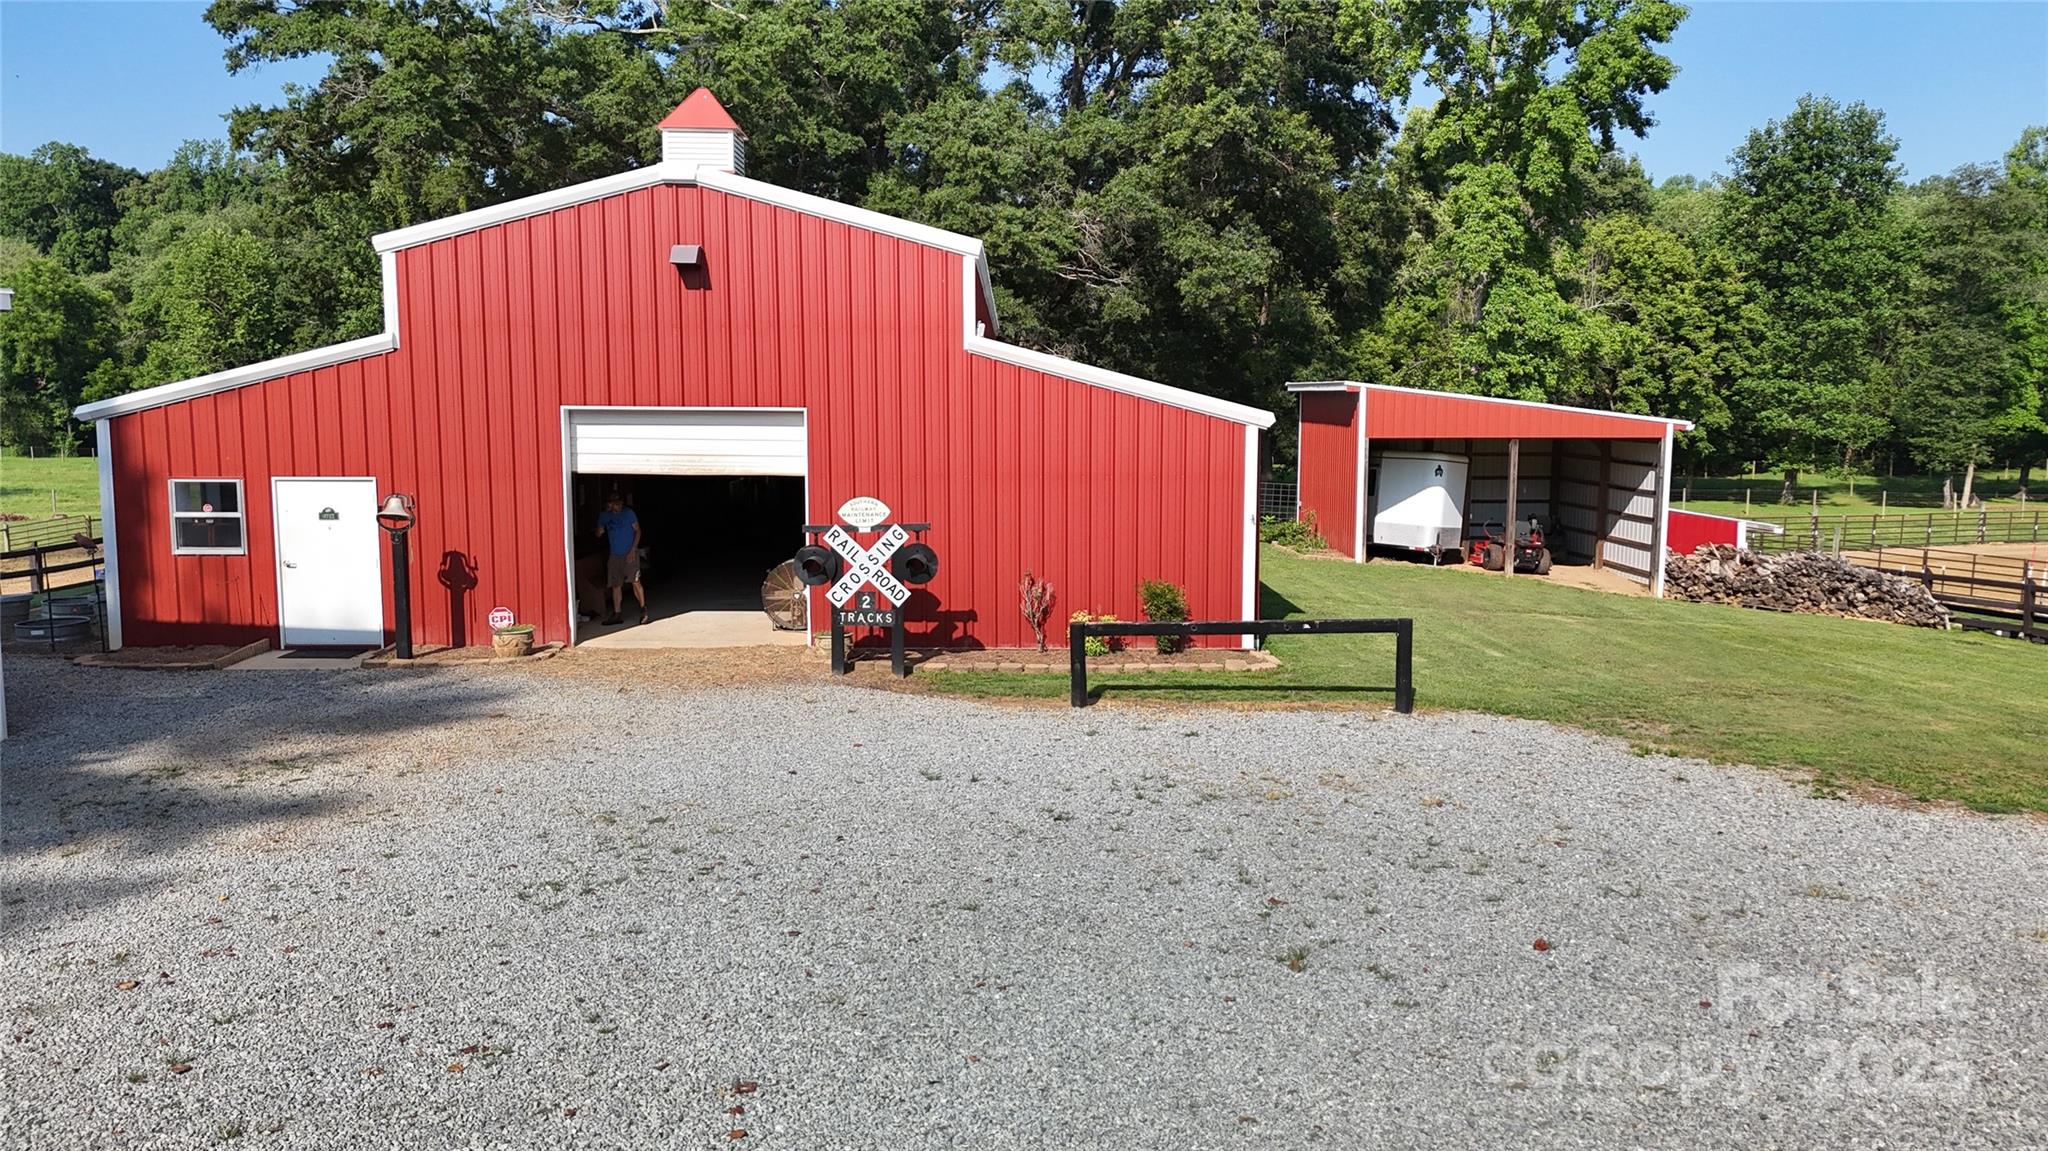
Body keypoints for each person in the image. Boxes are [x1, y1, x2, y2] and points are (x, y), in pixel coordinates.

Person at [596, 494, 647, 625]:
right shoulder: (604, 516)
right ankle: (617, 614)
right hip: (615, 555)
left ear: (622, 503)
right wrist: (599, 530)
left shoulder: (629, 513)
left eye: (618, 504)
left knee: (635, 581)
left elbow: (638, 531)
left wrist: (633, 550)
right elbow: (599, 533)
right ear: (609, 504)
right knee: (615, 585)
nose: (616, 507)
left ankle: (643, 610)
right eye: (614, 504)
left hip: (630, 553)